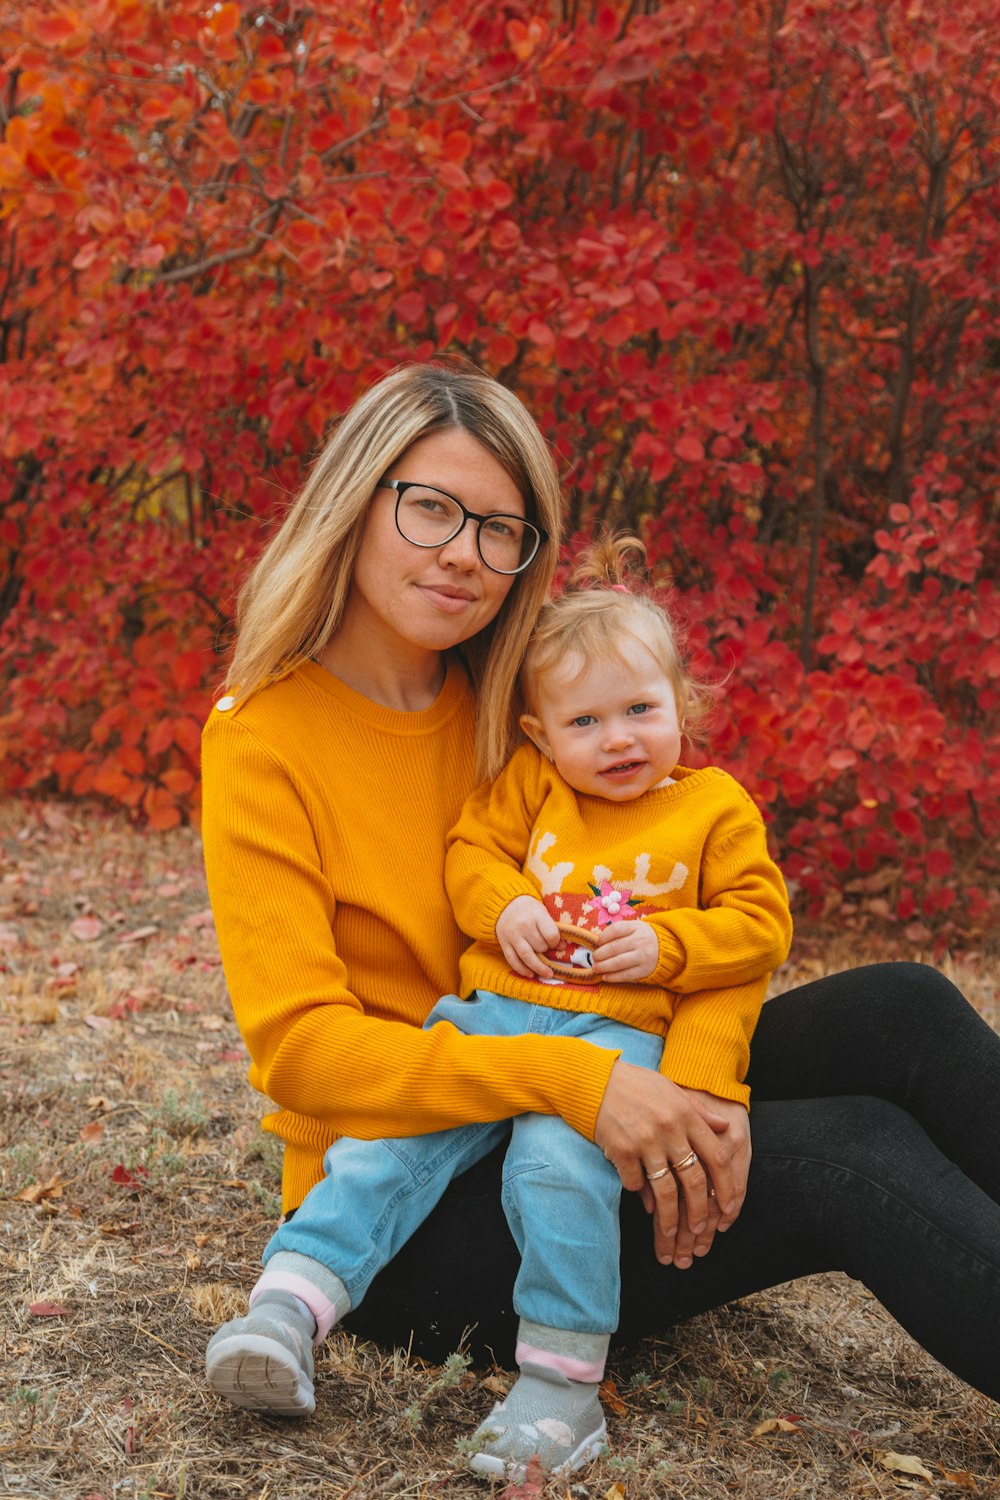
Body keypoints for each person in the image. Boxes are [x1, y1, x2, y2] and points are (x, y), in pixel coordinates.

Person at [200, 360, 1000, 1475]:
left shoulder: (527, 704)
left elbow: (702, 902)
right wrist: (584, 1085)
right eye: (429, 506)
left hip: (593, 1077)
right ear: (355, 498)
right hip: (412, 1206)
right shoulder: (262, 738)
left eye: (501, 528)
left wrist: (702, 1087)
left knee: (902, 1006)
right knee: (850, 1158)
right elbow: (301, 1053)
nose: (464, 554)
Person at [205, 530, 793, 1477]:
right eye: (587, 723)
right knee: (387, 1148)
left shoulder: (713, 808)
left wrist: (672, 947)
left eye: (642, 711)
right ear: (541, 735)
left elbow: (761, 925)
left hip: (617, 1031)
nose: (619, 740)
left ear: (684, 708)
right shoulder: (528, 786)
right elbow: (470, 857)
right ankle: (289, 1306)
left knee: (560, 1170)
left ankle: (561, 1387)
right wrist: (508, 903)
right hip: (498, 1022)